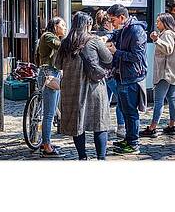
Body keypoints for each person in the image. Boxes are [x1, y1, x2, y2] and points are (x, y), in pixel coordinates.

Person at [55, 11, 112, 160]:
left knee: (77, 123)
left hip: (71, 88)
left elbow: (57, 64)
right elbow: (108, 58)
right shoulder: (94, 40)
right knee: (99, 123)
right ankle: (101, 158)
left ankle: (82, 157)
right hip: (93, 87)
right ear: (87, 25)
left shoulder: (65, 42)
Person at [106, 4, 148, 154]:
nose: (112, 23)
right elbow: (115, 34)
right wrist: (107, 36)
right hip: (122, 76)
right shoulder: (125, 28)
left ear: (122, 17)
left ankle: (133, 144)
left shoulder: (136, 31)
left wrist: (116, 52)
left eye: (113, 20)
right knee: (125, 110)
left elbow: (136, 57)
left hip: (131, 78)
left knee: (130, 112)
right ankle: (128, 140)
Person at [139, 13, 175, 137]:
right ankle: (172, 125)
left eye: (158, 22)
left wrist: (156, 39)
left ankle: (152, 128)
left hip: (165, 73)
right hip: (174, 72)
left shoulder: (168, 34)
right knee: (172, 97)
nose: (156, 24)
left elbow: (168, 49)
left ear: (165, 22)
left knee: (159, 100)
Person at [36, 16, 67, 157]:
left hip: (53, 73)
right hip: (48, 73)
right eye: (63, 25)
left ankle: (45, 141)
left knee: (52, 110)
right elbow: (59, 46)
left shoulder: (52, 36)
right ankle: (47, 146)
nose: (65, 28)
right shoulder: (48, 36)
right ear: (55, 26)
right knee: (48, 114)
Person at [94, 9, 126, 139]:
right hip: (110, 73)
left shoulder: (96, 33)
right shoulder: (108, 35)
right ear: (107, 22)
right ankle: (121, 126)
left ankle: (104, 125)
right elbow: (110, 55)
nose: (113, 24)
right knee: (120, 100)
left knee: (104, 100)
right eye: (111, 21)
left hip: (102, 73)